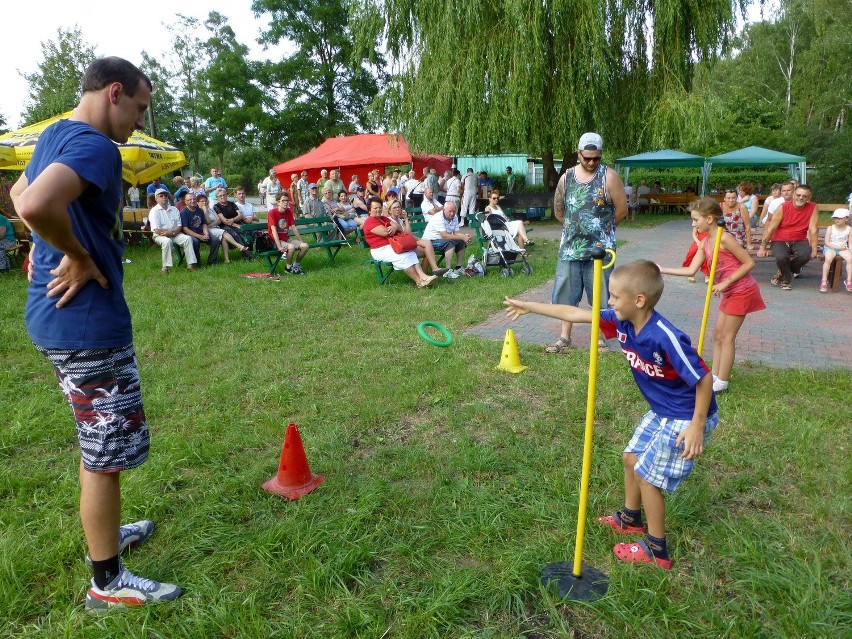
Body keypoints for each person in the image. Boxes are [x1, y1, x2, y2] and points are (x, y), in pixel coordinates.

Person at [10, 56, 183, 609]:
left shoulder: (54, 134)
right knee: (104, 453)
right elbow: (35, 203)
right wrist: (76, 253)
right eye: (138, 107)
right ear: (114, 92)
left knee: (98, 442)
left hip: (54, 318)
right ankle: (106, 580)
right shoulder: (95, 147)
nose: (139, 122)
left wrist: (46, 242)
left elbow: (18, 193)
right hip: (84, 322)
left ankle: (108, 536)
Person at [504, 260, 718, 570]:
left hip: (687, 415)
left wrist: (697, 425)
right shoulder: (621, 322)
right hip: (663, 410)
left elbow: (704, 379)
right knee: (631, 458)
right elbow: (575, 314)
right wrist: (529, 306)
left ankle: (657, 550)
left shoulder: (664, 336)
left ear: (639, 300)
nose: (610, 302)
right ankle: (630, 519)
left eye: (615, 296)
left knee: (647, 475)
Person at [659, 198, 765, 393]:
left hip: (741, 290)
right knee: (717, 334)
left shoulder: (724, 238)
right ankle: (714, 375)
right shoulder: (706, 241)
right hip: (730, 292)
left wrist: (725, 282)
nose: (693, 224)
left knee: (727, 337)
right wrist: (661, 269)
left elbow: (749, 263)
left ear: (709, 219)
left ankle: (722, 381)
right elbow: (691, 270)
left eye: (695, 220)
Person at [549, 132, 628, 354]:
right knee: (566, 295)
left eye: (596, 158)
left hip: (601, 252)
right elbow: (558, 210)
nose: (592, 162)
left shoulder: (609, 176)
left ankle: (600, 337)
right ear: (579, 154)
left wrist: (603, 231)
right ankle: (565, 337)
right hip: (570, 251)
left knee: (602, 295)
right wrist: (573, 228)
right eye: (587, 158)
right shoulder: (567, 177)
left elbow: (622, 210)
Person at [363, 197, 437, 287]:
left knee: (410, 253)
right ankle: (419, 281)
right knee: (404, 256)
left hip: (391, 246)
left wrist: (394, 227)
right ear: (369, 210)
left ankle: (423, 276)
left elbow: (397, 226)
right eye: (375, 208)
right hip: (380, 250)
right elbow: (385, 232)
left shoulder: (383, 218)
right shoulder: (370, 221)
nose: (378, 209)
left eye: (380, 207)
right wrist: (392, 228)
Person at [758, 184, 818, 291]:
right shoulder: (783, 207)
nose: (801, 198)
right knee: (782, 257)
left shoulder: (813, 207)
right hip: (780, 240)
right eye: (798, 195)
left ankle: (783, 271)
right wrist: (762, 247)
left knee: (805, 255)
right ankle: (786, 280)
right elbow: (771, 228)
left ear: (809, 197)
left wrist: (814, 249)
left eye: (804, 196)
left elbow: (813, 229)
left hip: (800, 239)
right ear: (794, 195)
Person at [386, 199, 447, 277]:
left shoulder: (399, 220)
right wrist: (406, 219)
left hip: (405, 244)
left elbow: (408, 234)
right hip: (399, 246)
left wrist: (405, 218)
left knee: (427, 250)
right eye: (394, 207)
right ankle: (434, 269)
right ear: (390, 211)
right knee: (427, 243)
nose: (397, 209)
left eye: (399, 207)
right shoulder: (390, 220)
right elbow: (407, 234)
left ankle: (424, 275)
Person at [149, 188, 198, 273]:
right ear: (156, 199)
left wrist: (172, 232)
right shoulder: (154, 211)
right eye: (161, 196)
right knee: (167, 241)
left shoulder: (174, 209)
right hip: (160, 235)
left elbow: (179, 226)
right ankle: (165, 268)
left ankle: (190, 265)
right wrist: (169, 232)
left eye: (165, 195)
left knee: (187, 239)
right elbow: (156, 230)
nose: (164, 197)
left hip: (175, 233)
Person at [421, 200, 472, 279]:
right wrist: (462, 236)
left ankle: (458, 268)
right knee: (450, 243)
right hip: (430, 241)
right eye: (450, 211)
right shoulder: (438, 217)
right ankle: (447, 271)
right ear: (444, 210)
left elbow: (456, 233)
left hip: (442, 240)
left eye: (454, 211)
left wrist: (464, 236)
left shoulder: (454, 217)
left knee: (461, 242)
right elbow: (445, 236)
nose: (452, 213)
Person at [267, 192, 308, 274]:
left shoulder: (288, 211)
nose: (286, 202)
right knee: (291, 247)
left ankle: (295, 265)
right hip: (275, 241)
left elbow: (294, 228)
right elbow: (274, 231)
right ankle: (288, 268)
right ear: (278, 202)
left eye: (287, 200)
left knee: (305, 246)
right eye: (283, 200)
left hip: (286, 239)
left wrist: (301, 241)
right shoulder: (272, 213)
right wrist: (278, 246)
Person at [180, 191, 217, 265]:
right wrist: (200, 236)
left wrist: (206, 233)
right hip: (190, 234)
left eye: (194, 199)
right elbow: (185, 229)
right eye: (190, 200)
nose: (192, 201)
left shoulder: (199, 210)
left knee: (215, 240)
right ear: (185, 201)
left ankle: (211, 261)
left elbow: (204, 223)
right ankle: (197, 263)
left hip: (201, 232)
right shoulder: (184, 212)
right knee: (195, 242)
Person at [819, 208, 852, 293]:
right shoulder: (831, 228)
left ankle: (848, 280)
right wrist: (837, 248)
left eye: (840, 218)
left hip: (843, 247)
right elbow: (826, 242)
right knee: (828, 258)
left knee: (850, 259)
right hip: (830, 247)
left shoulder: (849, 229)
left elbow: (850, 243)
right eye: (835, 218)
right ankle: (824, 280)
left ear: (846, 218)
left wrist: (850, 251)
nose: (837, 220)